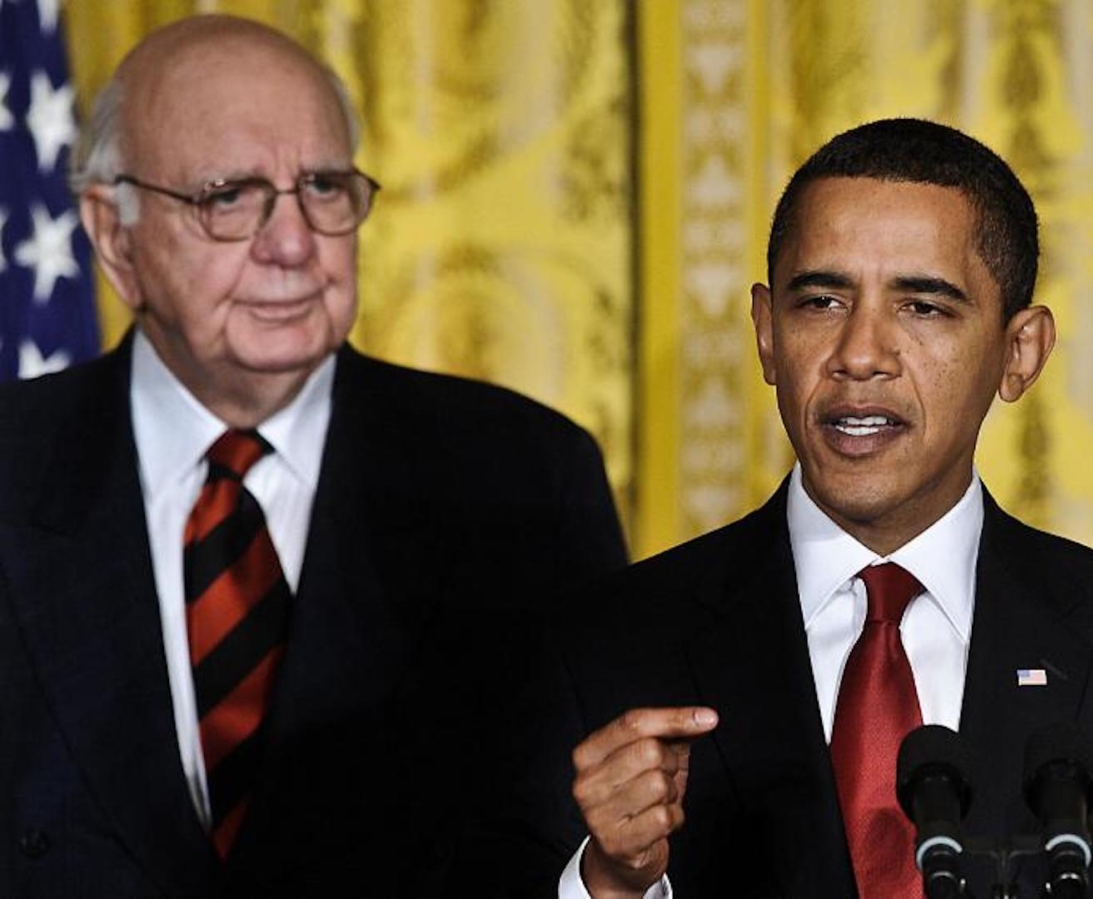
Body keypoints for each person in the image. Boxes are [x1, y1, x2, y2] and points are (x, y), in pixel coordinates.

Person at [0, 14, 626, 898]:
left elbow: (572, 849)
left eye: (324, 188)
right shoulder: (14, 466)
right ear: (114, 236)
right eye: (228, 196)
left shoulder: (522, 481)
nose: (293, 245)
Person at [555, 119, 1093, 898]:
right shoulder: (603, 649)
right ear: (765, 333)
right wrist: (612, 883)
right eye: (821, 300)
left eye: (923, 307)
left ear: (1019, 352)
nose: (860, 354)